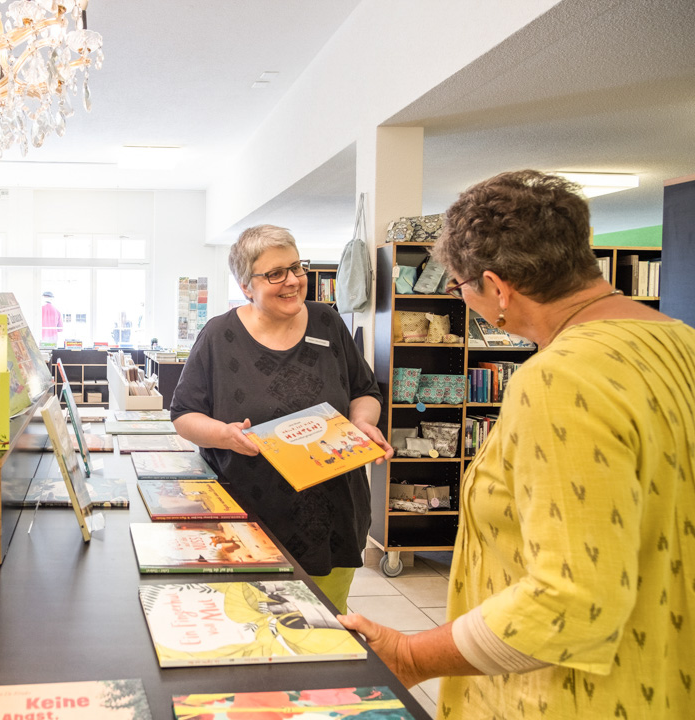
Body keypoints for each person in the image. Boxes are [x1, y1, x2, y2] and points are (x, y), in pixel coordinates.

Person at [339, 170, 695, 718]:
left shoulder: (561, 376)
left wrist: (412, 653)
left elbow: (570, 601)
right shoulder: (680, 344)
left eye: (462, 288)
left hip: (574, 695)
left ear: (498, 288)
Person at [170, 224, 393, 613]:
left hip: (333, 515)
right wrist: (223, 434)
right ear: (246, 285)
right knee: (249, 622)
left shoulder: (328, 323)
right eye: (275, 274)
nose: (292, 281)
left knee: (322, 625)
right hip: (249, 519)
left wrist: (362, 422)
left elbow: (364, 391)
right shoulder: (218, 336)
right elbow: (184, 414)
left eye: (296, 268)